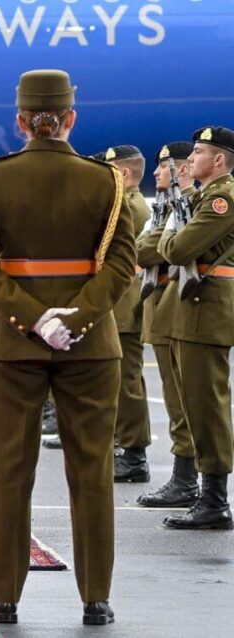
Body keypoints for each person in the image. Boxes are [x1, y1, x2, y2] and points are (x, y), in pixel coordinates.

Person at [0, 69, 135, 626]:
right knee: (92, 472)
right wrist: (77, 319)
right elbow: (122, 265)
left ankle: (5, 597)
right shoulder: (106, 181)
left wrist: (35, 320)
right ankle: (95, 599)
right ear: (70, 119)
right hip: (90, 348)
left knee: (10, 471)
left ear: (20, 122)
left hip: (11, 344)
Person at [157, 126, 234, 531]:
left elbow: (178, 249)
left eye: (200, 152)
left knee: (208, 407)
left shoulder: (222, 199)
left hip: (209, 312)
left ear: (219, 160)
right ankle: (208, 496)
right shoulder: (204, 195)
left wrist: (171, 241)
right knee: (195, 405)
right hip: (195, 312)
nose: (190, 161)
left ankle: (216, 501)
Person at [137, 142, 200, 508]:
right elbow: (143, 250)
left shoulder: (187, 206)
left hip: (179, 307)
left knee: (186, 401)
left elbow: (161, 250)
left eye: (163, 167)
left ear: (182, 171)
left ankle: (189, 480)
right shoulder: (162, 210)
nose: (157, 173)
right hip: (160, 308)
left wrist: (157, 243)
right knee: (176, 403)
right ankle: (184, 478)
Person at [94, 146, 152, 483]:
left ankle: (135, 454)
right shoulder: (126, 203)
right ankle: (122, 445)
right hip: (117, 303)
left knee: (128, 383)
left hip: (126, 305)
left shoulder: (132, 206)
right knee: (117, 382)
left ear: (125, 174)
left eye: (110, 171)